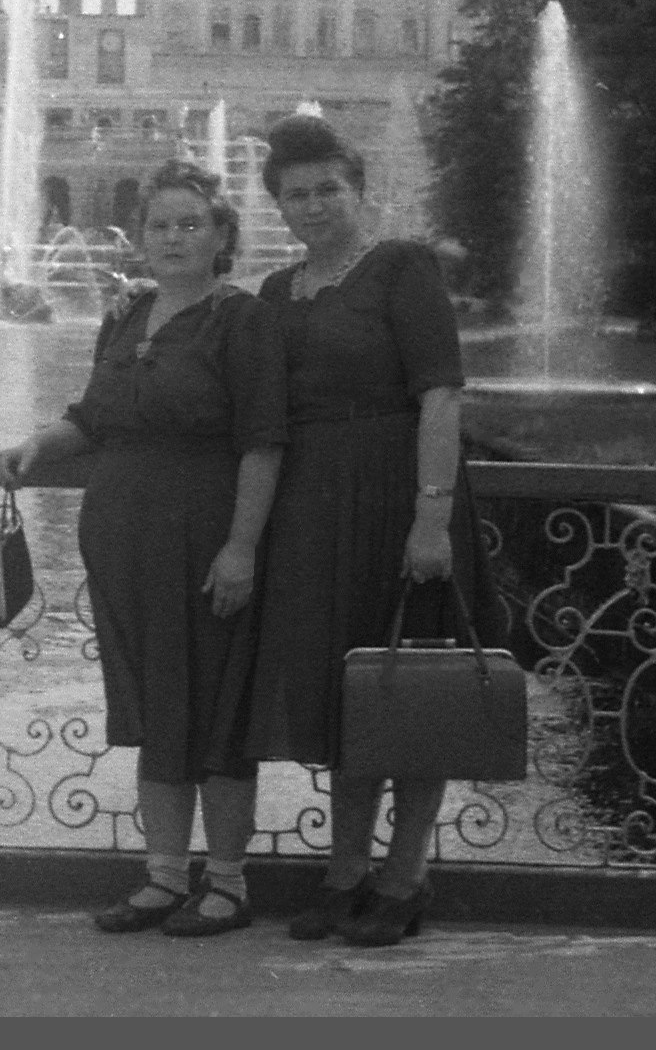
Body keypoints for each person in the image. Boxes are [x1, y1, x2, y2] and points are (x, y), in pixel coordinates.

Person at [0, 160, 285, 938]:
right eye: (159, 225)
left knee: (217, 708)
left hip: (204, 536)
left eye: (190, 223)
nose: (172, 237)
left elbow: (262, 443)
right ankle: (163, 877)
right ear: (141, 237)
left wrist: (241, 547)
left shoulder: (242, 320)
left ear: (222, 235)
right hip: (123, 539)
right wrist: (38, 444)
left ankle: (226, 883)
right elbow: (94, 417)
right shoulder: (127, 313)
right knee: (155, 707)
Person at [245, 113, 495, 948]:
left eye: (328, 189)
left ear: (358, 190)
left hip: (396, 498)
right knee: (345, 694)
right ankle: (344, 869)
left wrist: (430, 517)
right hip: (314, 511)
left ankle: (404, 876)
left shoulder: (399, 267)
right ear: (278, 205)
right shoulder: (275, 291)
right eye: (295, 195)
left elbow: (440, 395)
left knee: (410, 688)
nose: (313, 206)